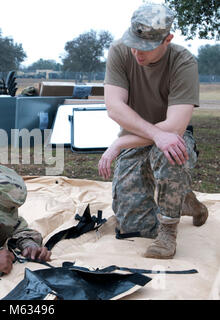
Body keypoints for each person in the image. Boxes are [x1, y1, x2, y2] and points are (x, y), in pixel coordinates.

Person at [98, 3, 208, 259]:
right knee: (132, 227)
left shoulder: (183, 62)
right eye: (133, 42)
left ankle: (168, 232)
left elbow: (174, 127)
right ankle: (184, 200)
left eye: (146, 47)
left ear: (167, 39)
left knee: (169, 148)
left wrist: (120, 144)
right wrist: (139, 138)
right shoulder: (119, 51)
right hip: (135, 140)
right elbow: (114, 107)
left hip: (172, 139)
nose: (137, 52)